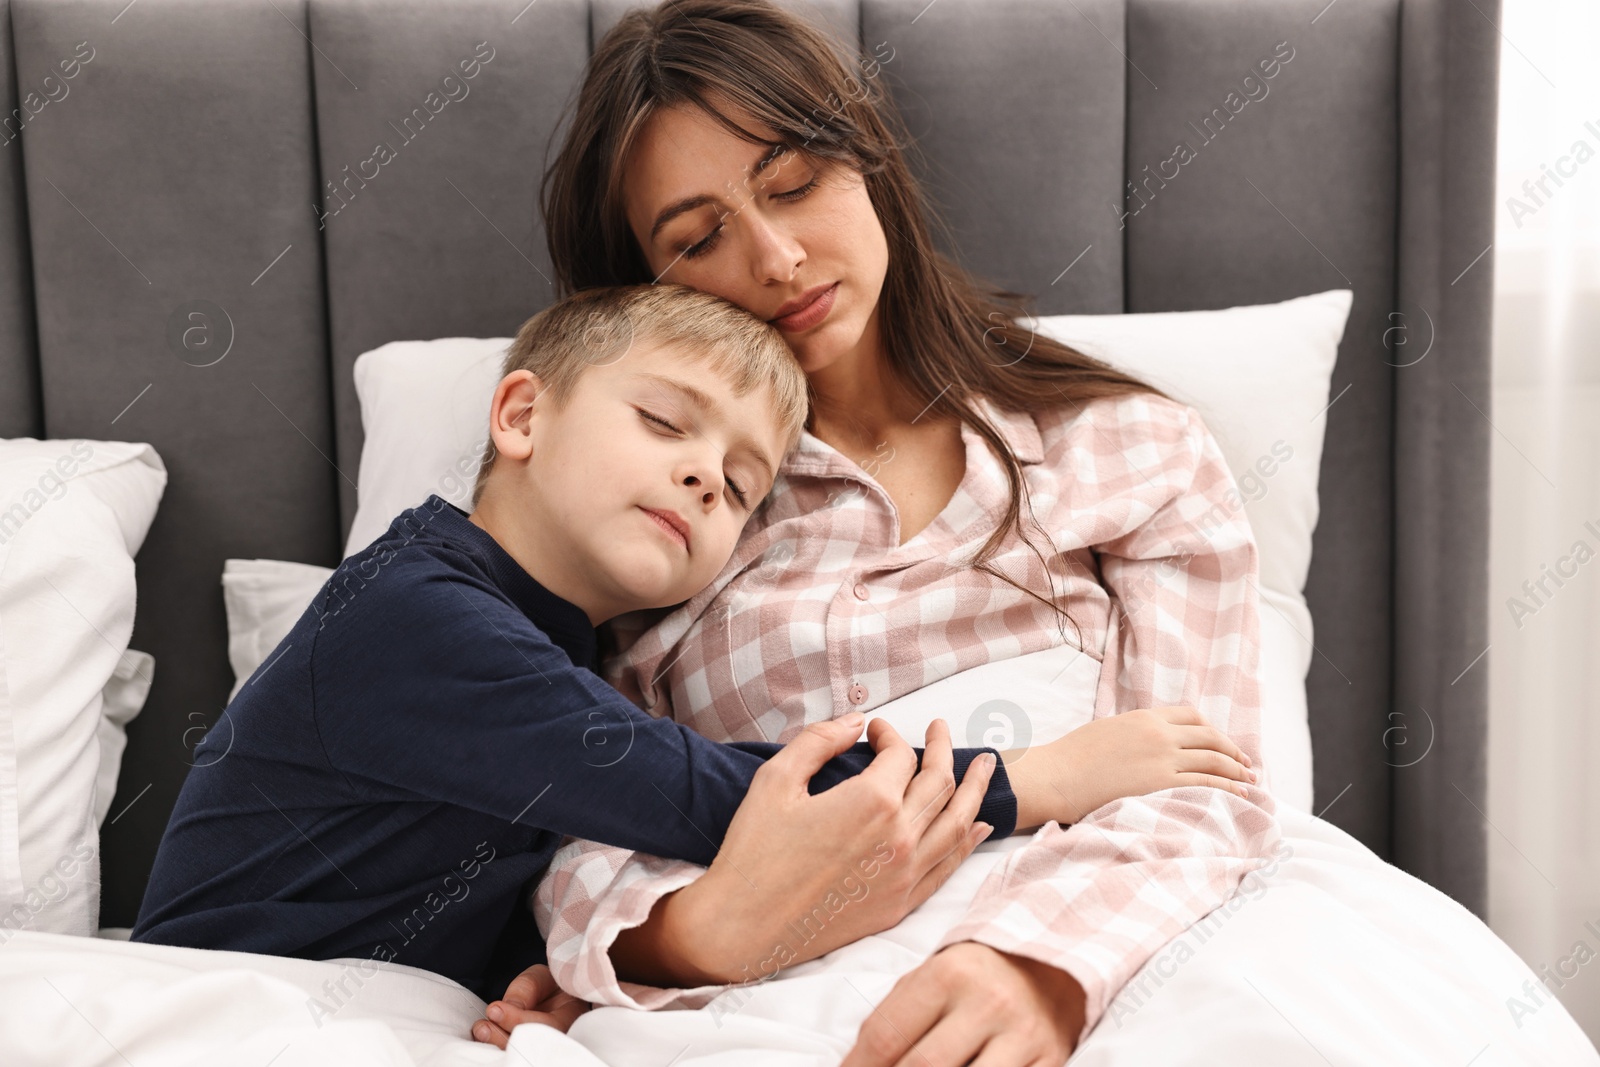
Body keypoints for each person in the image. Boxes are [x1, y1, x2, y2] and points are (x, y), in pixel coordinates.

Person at [471, 2, 1278, 1063]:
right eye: (699, 236)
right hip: (768, 977)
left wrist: (1031, 964)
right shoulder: (658, 510)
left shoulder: (1132, 450)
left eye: (795, 182)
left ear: (870, 163)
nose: (776, 256)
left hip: (1112, 946)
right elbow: (578, 836)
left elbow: (1203, 786)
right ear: (641, 288)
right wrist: (695, 938)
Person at [131, 282, 1036, 998]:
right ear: (522, 415)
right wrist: (1036, 781)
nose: (703, 475)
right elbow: (708, 797)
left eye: (742, 480)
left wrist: (538, 970)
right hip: (229, 1007)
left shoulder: (567, 654)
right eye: (664, 421)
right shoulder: (415, 615)